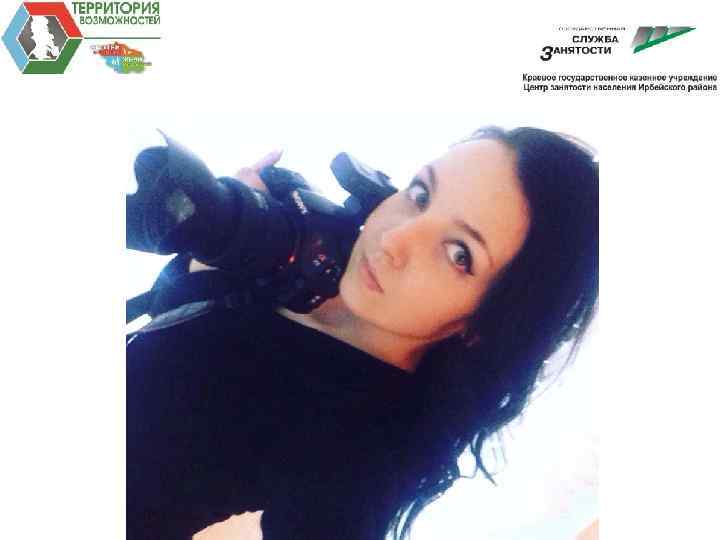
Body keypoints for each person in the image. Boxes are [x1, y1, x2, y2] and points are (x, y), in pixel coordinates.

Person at [126, 125, 599, 539]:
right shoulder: (305, 259)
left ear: (488, 322)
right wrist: (223, 241)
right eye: (421, 195)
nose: (394, 239)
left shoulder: (359, 456)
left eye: (459, 254)